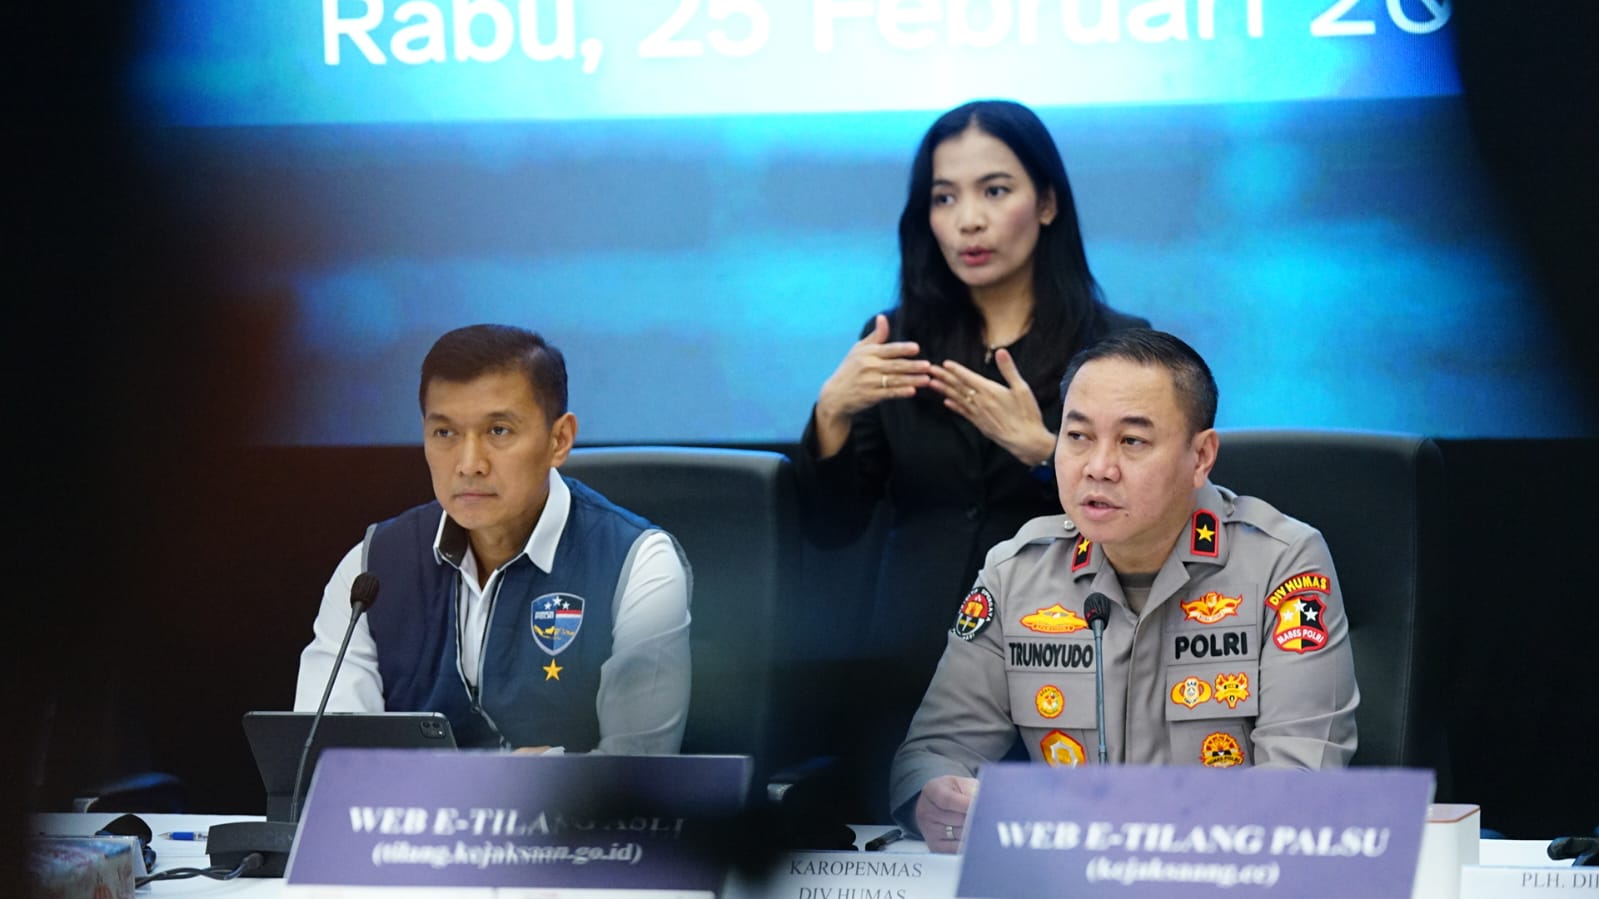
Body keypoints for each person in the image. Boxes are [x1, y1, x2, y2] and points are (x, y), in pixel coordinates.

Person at [794, 99, 1147, 815]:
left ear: (1045, 202)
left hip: (1063, 661)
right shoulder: (897, 340)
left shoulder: (1115, 349)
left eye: (994, 190)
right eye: (944, 197)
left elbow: (1150, 526)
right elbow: (834, 528)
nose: (968, 220)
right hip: (907, 663)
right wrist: (831, 413)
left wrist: (1045, 452)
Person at [890, 329, 1358, 852]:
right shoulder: (1016, 572)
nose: (1098, 468)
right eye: (1078, 436)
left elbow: (1300, 782)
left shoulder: (1282, 564)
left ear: (1201, 456)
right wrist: (934, 798)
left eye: (1132, 441)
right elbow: (934, 751)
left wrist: (1120, 826)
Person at [295, 324, 692, 753]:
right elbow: (325, 760)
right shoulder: (371, 570)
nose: (469, 464)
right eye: (445, 433)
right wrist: (513, 777)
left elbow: (637, 771)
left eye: (498, 430)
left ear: (559, 440)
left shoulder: (637, 563)